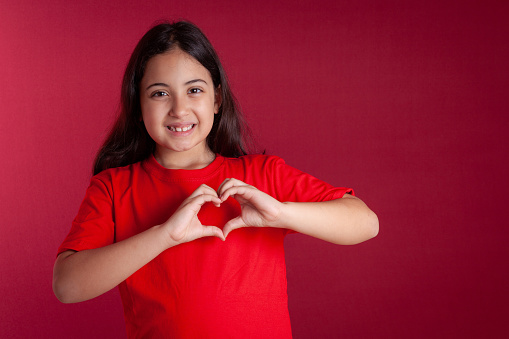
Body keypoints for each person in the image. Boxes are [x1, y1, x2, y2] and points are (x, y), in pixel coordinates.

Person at [53, 21, 379, 338]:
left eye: (194, 90)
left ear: (217, 99)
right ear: (138, 105)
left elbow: (365, 223)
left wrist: (281, 213)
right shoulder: (113, 188)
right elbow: (67, 286)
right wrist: (164, 235)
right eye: (159, 93)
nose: (179, 109)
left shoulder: (261, 175)